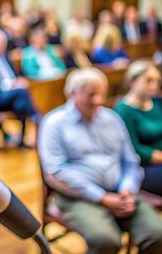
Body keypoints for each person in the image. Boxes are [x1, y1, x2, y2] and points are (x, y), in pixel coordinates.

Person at [38, 67, 162, 254]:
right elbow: (56, 172)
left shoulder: (111, 118)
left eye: (102, 94)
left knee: (157, 234)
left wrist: (127, 189)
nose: (98, 100)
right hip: (77, 197)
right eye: (91, 95)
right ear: (72, 93)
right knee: (106, 241)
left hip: (119, 191)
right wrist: (102, 197)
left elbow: (130, 160)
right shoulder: (55, 123)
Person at [0, 28, 40, 148]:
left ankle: (21, 140)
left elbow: (15, 73)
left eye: (2, 43)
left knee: (20, 104)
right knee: (22, 91)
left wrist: (18, 81)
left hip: (14, 94)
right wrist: (11, 85)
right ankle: (35, 116)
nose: (1, 46)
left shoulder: (5, 56)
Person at [115, 61, 162, 197]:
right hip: (142, 167)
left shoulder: (157, 102)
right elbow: (133, 149)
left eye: (157, 81)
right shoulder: (124, 111)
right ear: (132, 81)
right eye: (148, 81)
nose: (154, 86)